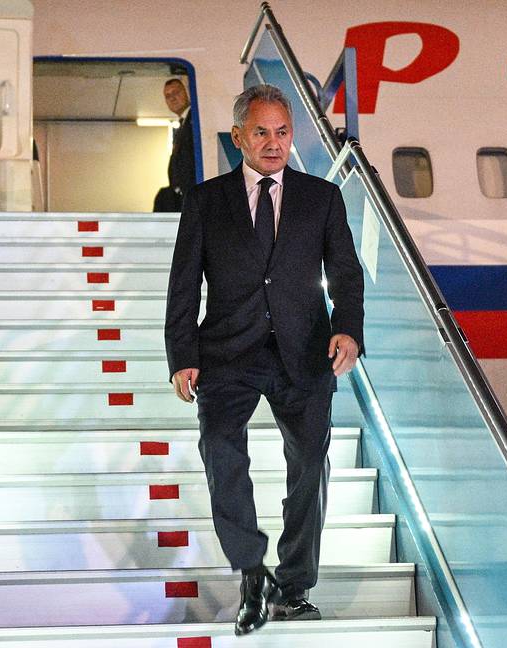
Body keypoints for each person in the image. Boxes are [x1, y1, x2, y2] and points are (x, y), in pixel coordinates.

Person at [164, 84, 364, 635]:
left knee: (309, 466)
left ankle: (293, 588)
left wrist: (347, 329)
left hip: (305, 353)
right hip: (228, 352)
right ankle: (252, 571)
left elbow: (346, 273)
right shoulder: (205, 201)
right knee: (220, 449)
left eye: (282, 132)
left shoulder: (322, 197)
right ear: (238, 137)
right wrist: (182, 355)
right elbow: (183, 286)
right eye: (261, 132)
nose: (274, 143)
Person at [153, 78, 197, 211]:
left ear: (187, 92)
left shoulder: (195, 119)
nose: (172, 98)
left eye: (176, 92)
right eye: (168, 96)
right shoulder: (182, 124)